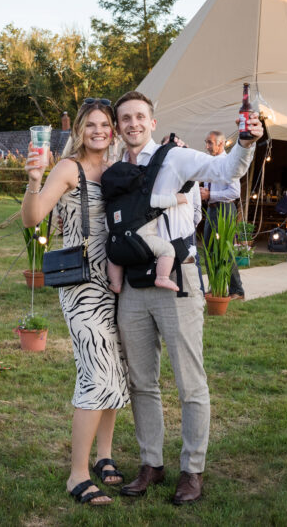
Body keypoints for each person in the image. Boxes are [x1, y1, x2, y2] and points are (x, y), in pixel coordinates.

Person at [112, 91, 264, 506]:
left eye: (140, 117)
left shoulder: (175, 158)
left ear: (152, 122)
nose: (133, 124)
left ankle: (192, 469)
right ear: (118, 126)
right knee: (141, 382)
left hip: (177, 278)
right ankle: (151, 463)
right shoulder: (115, 168)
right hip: (133, 285)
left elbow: (227, 169)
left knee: (189, 381)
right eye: (125, 118)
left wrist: (246, 141)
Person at [21, 99, 129, 507]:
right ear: (79, 130)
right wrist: (35, 180)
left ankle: (104, 455)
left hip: (117, 282)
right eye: (91, 125)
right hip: (82, 284)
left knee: (116, 370)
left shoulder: (117, 166)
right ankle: (77, 474)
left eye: (105, 124)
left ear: (113, 130)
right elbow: (33, 218)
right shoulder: (69, 169)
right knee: (96, 373)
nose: (99, 131)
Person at [200, 131, 245, 301]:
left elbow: (235, 192)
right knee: (209, 250)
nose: (207, 146)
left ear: (221, 144)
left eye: (210, 143)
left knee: (224, 250)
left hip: (224, 209)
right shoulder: (210, 162)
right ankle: (215, 287)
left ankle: (237, 290)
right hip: (211, 209)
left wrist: (210, 194)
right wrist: (204, 192)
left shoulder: (228, 163)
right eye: (206, 142)